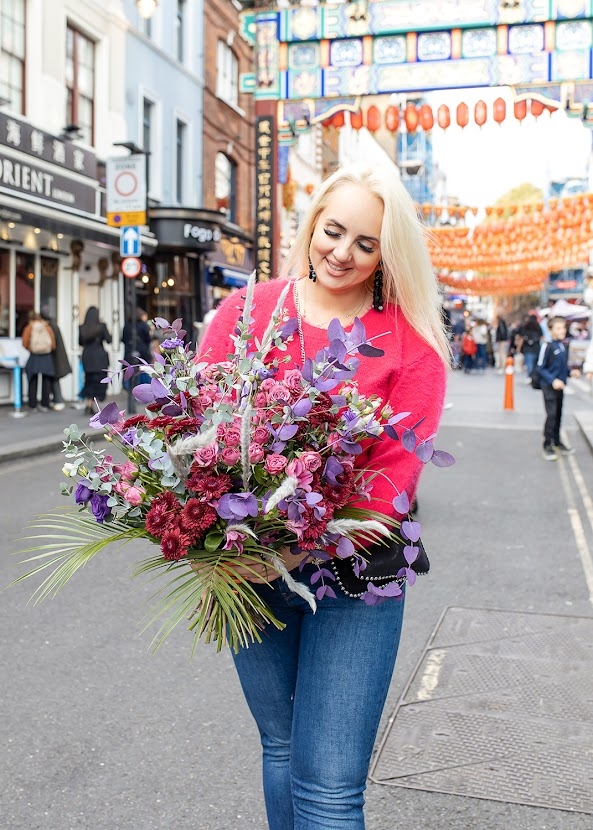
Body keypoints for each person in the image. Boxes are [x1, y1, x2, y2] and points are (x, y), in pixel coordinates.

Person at [198, 162, 449, 830]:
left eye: (364, 244)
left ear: (384, 256)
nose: (341, 252)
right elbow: (199, 432)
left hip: (351, 576)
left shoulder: (410, 347)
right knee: (280, 748)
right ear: (311, 225)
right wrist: (222, 545)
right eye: (333, 231)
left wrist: (279, 538)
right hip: (248, 573)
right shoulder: (244, 312)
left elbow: (385, 493)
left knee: (330, 788)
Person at [537, 316, 575, 461]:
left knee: (559, 415)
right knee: (551, 415)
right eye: (558, 328)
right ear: (551, 330)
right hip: (549, 387)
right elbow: (540, 368)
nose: (562, 330)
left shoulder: (563, 346)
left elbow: (563, 368)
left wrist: (571, 373)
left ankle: (557, 441)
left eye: (563, 327)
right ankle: (547, 444)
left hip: (560, 387)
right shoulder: (547, 346)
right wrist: (552, 380)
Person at [79, 306, 112, 415]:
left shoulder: (82, 328)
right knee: (99, 382)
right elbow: (109, 340)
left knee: (89, 381)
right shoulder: (102, 326)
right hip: (99, 357)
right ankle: (95, 404)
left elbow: (80, 342)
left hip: (87, 357)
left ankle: (89, 404)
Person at [21, 310, 56, 412]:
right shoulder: (47, 327)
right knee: (46, 381)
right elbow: (53, 344)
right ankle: (45, 403)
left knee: (32, 380)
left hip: (34, 356)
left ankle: (32, 405)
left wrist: (31, 348)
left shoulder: (29, 328)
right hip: (47, 356)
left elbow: (25, 342)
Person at [41, 306, 71, 411]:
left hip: (54, 357)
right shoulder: (54, 326)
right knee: (54, 379)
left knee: (54, 379)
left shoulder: (50, 327)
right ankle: (57, 400)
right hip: (57, 357)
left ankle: (58, 400)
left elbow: (52, 344)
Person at [122, 306, 153, 388]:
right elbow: (148, 340)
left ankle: (130, 389)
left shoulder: (127, 326)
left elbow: (123, 339)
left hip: (129, 353)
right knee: (144, 372)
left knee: (130, 372)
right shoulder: (144, 326)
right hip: (143, 353)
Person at [519, 313, 542, 383]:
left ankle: (530, 376)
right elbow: (541, 336)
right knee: (535, 363)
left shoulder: (526, 326)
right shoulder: (538, 327)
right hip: (536, 347)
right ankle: (534, 376)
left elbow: (522, 336)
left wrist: (519, 347)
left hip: (528, 348)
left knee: (529, 363)